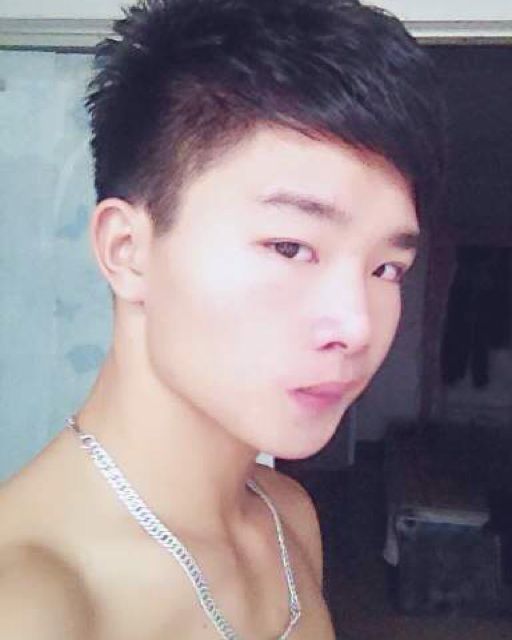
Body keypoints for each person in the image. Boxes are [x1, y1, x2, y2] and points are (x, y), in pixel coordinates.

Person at [0, 0, 445, 637]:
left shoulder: (288, 516)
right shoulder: (31, 599)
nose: (357, 327)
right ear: (127, 250)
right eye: (290, 247)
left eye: (387, 269)